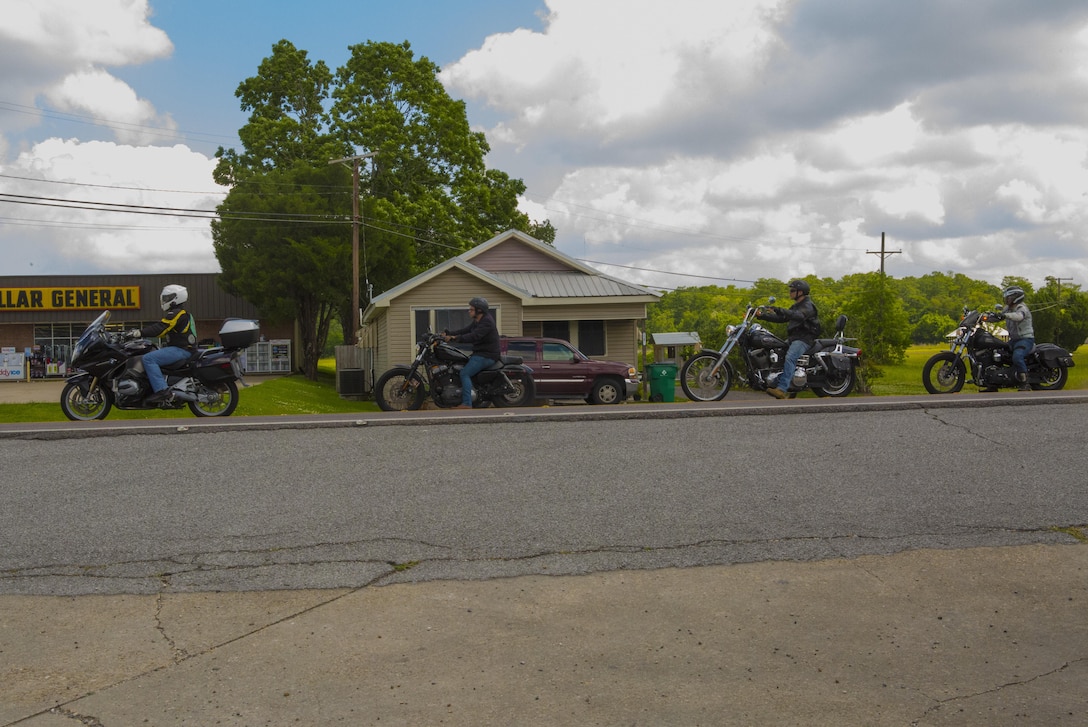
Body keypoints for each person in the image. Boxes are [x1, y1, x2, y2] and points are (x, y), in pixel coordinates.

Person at [127, 284, 197, 403]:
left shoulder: (178, 313)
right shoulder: (180, 313)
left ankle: (162, 391)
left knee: (148, 359)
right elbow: (161, 332)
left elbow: (161, 328)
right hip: (182, 349)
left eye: (167, 298)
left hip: (182, 350)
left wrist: (139, 332)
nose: (165, 301)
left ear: (176, 298)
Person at [755, 279, 820, 399]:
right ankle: (777, 382)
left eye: (793, 290)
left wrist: (779, 309)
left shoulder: (808, 306)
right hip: (794, 338)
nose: (790, 292)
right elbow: (782, 318)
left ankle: (782, 389)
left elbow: (798, 315)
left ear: (800, 292)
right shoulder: (797, 306)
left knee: (790, 357)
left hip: (804, 338)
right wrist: (762, 316)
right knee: (778, 353)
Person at [443, 296, 501, 409]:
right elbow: (466, 330)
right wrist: (449, 333)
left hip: (486, 355)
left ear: (479, 310)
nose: (469, 311)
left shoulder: (486, 322)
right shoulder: (479, 320)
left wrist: (455, 338)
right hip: (480, 353)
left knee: (465, 373)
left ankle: (466, 403)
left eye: (471, 309)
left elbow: (474, 336)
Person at [999, 285, 1034, 391]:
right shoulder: (1007, 309)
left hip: (1025, 339)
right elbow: (999, 316)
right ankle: (994, 382)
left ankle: (1025, 382)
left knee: (1017, 356)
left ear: (1016, 297)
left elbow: (1019, 317)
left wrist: (1006, 315)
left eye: (1009, 297)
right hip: (1013, 340)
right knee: (998, 354)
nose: (1006, 299)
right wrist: (984, 317)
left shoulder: (1021, 308)